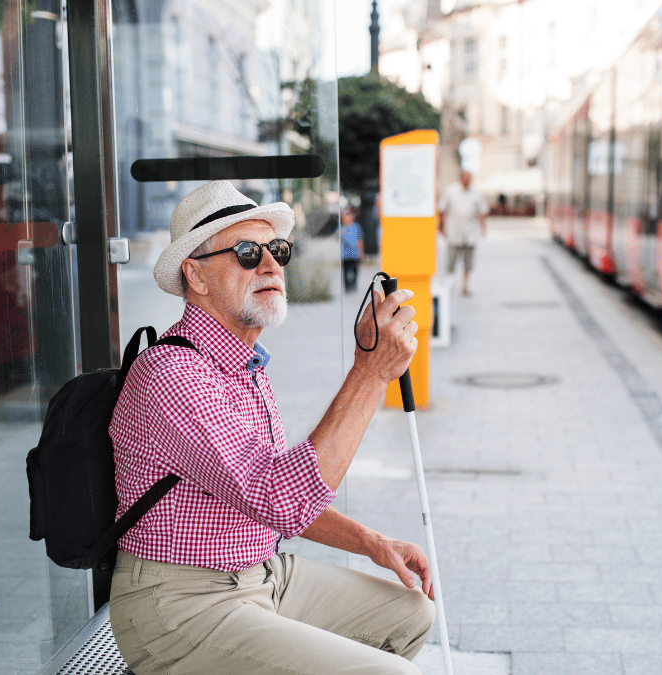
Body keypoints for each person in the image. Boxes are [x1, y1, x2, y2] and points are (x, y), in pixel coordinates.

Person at [109, 181, 434, 675]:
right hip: (179, 605)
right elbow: (282, 498)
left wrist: (372, 543)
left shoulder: (244, 365)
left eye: (277, 249)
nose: (270, 265)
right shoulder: (173, 375)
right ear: (194, 274)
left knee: (411, 613)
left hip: (262, 575)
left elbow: (277, 496)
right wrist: (370, 373)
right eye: (245, 252)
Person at [437, 169, 488, 295]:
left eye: (470, 177)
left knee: (468, 263)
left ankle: (465, 286)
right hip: (454, 232)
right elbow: (442, 209)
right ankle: (449, 286)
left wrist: (483, 228)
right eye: (467, 177)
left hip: (470, 233)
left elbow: (482, 211)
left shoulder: (476, 192)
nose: (469, 180)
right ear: (461, 178)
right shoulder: (451, 190)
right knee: (451, 262)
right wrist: (441, 226)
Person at [340, 205, 364, 292]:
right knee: (346, 272)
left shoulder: (356, 227)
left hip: (355, 254)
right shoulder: (342, 228)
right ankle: (347, 287)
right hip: (345, 255)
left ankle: (354, 285)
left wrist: (361, 253)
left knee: (355, 271)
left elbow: (360, 240)